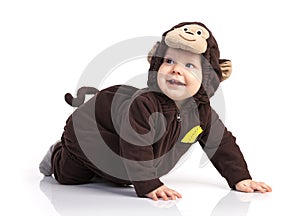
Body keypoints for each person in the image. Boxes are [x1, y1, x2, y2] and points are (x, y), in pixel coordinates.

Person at [39, 21, 272, 201]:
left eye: (189, 65)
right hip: (89, 135)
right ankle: (58, 153)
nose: (176, 71)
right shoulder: (145, 104)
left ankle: (107, 173)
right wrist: (149, 184)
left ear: (208, 78)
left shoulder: (202, 113)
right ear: (156, 65)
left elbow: (221, 144)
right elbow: (135, 144)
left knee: (117, 177)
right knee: (70, 177)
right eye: (169, 61)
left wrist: (241, 177)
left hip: (120, 159)